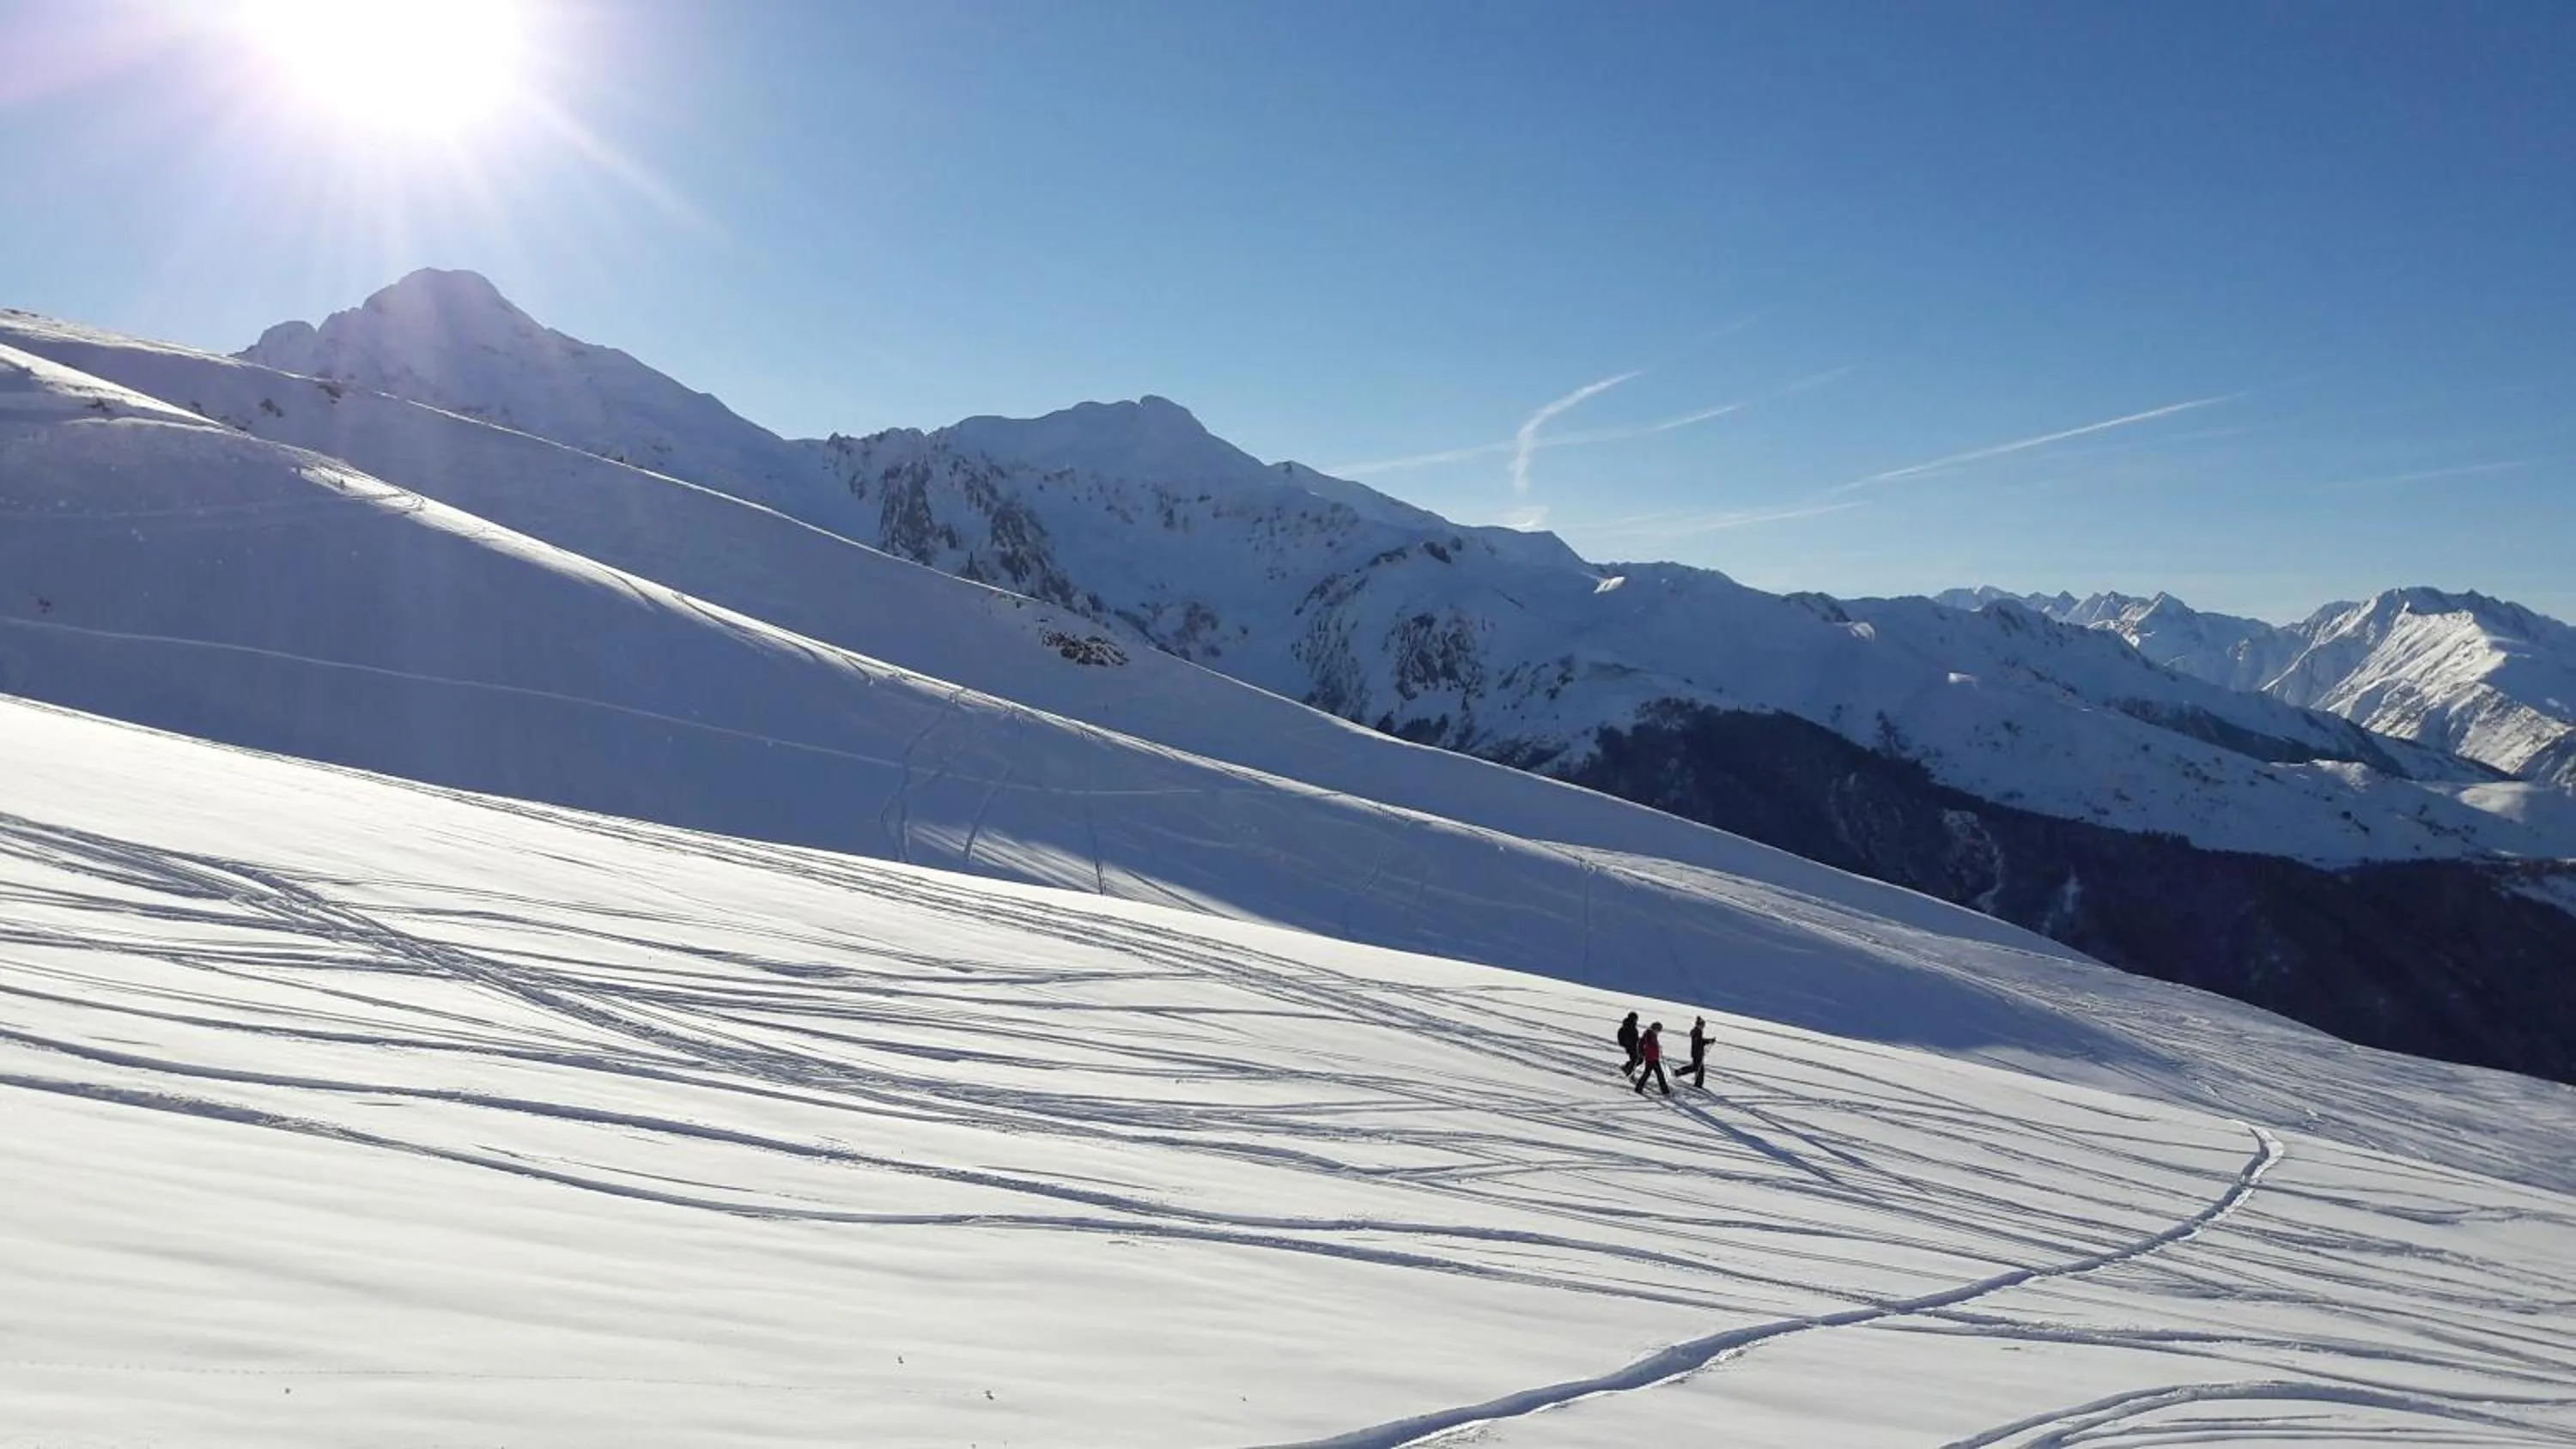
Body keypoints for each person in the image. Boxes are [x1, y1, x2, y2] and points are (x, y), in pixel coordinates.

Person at [1632, 1022, 1671, 1096]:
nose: (1658, 1032)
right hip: (1651, 1058)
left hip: (1654, 1057)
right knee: (1654, 1074)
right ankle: (1665, 1091)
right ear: (1655, 1029)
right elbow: (1643, 1044)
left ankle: (1639, 1088)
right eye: (1658, 1030)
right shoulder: (1648, 1035)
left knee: (1653, 1074)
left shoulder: (1652, 1035)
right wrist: (1643, 1053)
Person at [1684, 1016, 1712, 1088]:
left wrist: (1708, 1041)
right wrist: (1708, 1041)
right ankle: (1698, 1085)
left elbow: (1700, 1041)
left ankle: (1698, 1084)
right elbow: (1699, 1042)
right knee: (1698, 1069)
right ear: (1699, 1025)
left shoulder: (1697, 1031)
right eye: (1703, 1025)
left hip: (1697, 1053)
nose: (1703, 1027)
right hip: (1697, 1053)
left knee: (1696, 1068)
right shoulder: (1697, 1032)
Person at [1615, 1011, 1643, 1078]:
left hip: (1633, 1045)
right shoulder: (1629, 1025)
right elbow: (1628, 1036)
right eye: (1636, 1018)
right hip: (1631, 1046)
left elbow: (1634, 1036)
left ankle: (1627, 1068)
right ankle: (1629, 1073)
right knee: (1635, 1059)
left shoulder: (1631, 1025)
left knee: (1638, 1059)